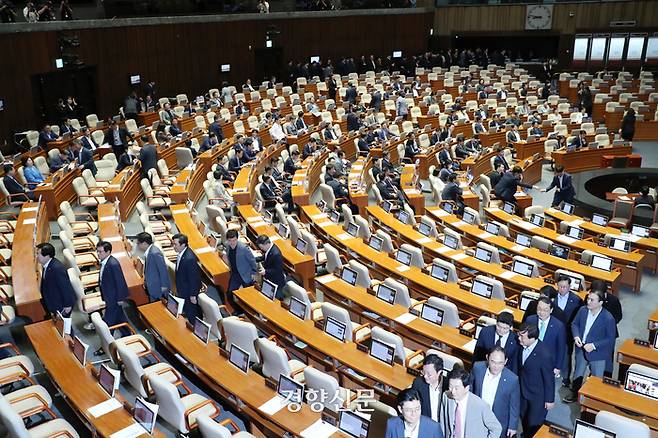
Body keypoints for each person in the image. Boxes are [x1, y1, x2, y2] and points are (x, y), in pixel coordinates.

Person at [563, 288, 616, 403]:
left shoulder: (608, 318)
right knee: (578, 372)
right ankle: (574, 393)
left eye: (592, 300)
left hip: (598, 353)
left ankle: (593, 400)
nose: (588, 301)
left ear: (600, 302)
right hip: (581, 348)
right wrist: (576, 336)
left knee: (596, 378)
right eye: (588, 298)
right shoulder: (582, 310)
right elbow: (574, 324)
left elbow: (610, 339)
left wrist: (594, 345)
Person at [470, 347, 520, 438]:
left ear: (505, 361)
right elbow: (470, 387)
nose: (496, 366)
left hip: (498, 420)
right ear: (487, 358)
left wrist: (512, 426)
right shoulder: (478, 368)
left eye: (500, 363)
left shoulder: (512, 379)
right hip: (477, 416)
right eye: (493, 362)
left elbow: (514, 405)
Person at [439, 368, 502, 438]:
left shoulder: (480, 406)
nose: (453, 391)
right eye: (450, 386)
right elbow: (443, 421)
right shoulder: (446, 396)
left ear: (467, 388)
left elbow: (497, 428)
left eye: (456, 388)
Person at [517, 323, 554, 437]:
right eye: (519, 335)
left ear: (532, 338)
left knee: (534, 424)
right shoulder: (520, 345)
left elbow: (549, 378)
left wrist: (549, 400)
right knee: (523, 417)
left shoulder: (544, 354)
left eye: (522, 336)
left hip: (538, 397)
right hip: (522, 391)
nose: (519, 338)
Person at [96, 241, 131, 337]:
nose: (98, 254)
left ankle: (107, 343)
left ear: (108, 252)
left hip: (114, 298)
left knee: (108, 322)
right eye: (97, 251)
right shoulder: (105, 262)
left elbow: (120, 282)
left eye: (100, 252)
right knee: (120, 317)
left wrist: (120, 299)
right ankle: (127, 334)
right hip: (109, 295)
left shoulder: (113, 264)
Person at [553, 275, 583, 388]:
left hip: (568, 333)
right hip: (553, 330)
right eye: (560, 286)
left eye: (564, 287)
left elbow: (578, 320)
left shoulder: (577, 300)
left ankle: (566, 378)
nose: (562, 289)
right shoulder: (552, 297)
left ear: (569, 287)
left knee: (566, 356)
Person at [526, 297, 567, 378]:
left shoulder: (558, 326)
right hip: (530, 358)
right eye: (539, 309)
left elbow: (561, 348)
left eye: (545, 310)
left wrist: (558, 367)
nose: (541, 312)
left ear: (551, 310)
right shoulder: (530, 320)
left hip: (548, 362)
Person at [37, 243, 76, 318]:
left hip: (61, 305)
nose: (37, 256)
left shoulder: (57, 269)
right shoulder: (48, 265)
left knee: (65, 327)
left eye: (38, 254)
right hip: (54, 301)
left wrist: (67, 305)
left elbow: (65, 288)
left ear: (47, 256)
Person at [222, 229, 257, 312]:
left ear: (237, 239)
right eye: (230, 241)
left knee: (249, 296)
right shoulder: (227, 246)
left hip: (246, 274)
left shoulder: (244, 248)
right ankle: (239, 310)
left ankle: (251, 311)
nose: (232, 243)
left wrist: (253, 272)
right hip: (235, 274)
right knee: (229, 294)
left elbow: (252, 261)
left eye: (234, 240)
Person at [173, 233, 201, 323]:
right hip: (183, 288)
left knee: (192, 313)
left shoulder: (189, 258)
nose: (173, 246)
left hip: (189, 292)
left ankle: (195, 328)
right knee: (190, 311)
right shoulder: (181, 253)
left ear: (183, 244)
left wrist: (193, 295)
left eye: (175, 244)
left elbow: (193, 278)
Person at [136, 232, 170, 302]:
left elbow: (163, 270)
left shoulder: (155, 253)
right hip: (152, 287)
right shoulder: (149, 252)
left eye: (138, 243)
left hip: (158, 289)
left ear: (144, 243)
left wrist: (164, 287)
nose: (137, 245)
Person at [411, 354, 444, 422]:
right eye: (423, 372)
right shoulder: (418, 384)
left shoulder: (447, 386)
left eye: (429, 374)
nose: (425, 376)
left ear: (439, 373)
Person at [255, 235, 286, 299]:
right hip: (269, 279)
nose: (261, 249)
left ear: (266, 244)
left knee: (275, 300)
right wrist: (254, 259)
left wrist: (265, 271)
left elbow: (278, 270)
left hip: (276, 281)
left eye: (261, 247)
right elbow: (265, 257)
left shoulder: (276, 254)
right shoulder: (270, 248)